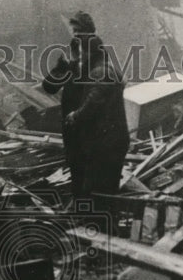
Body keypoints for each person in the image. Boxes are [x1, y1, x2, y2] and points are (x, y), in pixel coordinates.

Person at [42, 11, 129, 200]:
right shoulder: (74, 63)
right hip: (78, 137)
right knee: (81, 188)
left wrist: (77, 115)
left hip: (98, 140)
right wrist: (63, 67)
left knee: (97, 194)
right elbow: (48, 87)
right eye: (74, 33)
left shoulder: (100, 64)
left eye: (79, 33)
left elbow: (97, 97)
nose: (75, 38)